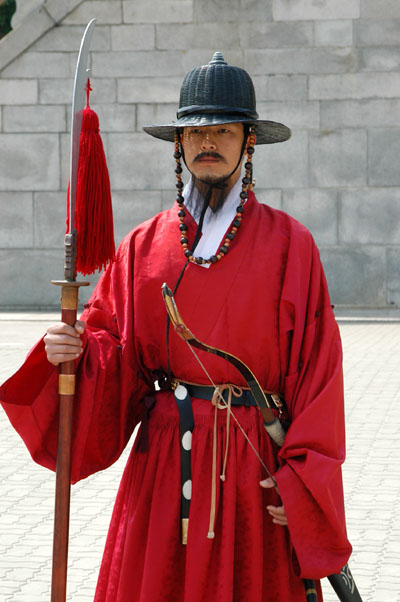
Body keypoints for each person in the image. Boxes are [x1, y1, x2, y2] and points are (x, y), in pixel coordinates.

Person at [0, 52, 352, 601]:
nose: (207, 142)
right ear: (179, 144)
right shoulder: (144, 244)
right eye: (196, 131)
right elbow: (112, 351)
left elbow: (320, 373)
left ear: (249, 141)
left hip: (250, 473)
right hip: (163, 463)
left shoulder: (291, 245)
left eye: (223, 130)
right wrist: (74, 352)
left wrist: (306, 480)